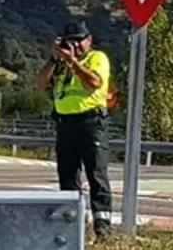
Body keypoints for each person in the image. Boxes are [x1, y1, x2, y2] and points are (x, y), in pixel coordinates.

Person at [37, 21, 112, 239]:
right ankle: (73, 224)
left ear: (89, 40)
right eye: (71, 42)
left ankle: (103, 227)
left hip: (91, 122)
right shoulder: (60, 65)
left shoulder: (96, 58)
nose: (75, 45)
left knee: (96, 174)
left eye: (79, 41)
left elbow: (94, 82)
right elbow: (40, 84)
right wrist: (54, 59)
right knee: (67, 175)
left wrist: (73, 62)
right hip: (65, 124)